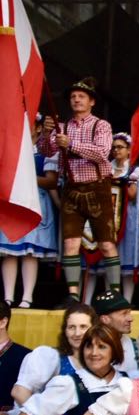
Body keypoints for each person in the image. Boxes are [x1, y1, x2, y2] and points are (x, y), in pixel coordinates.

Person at [39, 77, 120, 303]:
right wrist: (46, 133)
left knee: (106, 243)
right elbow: (46, 151)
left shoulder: (101, 125)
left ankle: (115, 293)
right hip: (71, 189)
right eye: (73, 97)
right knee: (70, 243)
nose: (76, 100)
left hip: (97, 188)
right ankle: (73, 295)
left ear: (91, 101)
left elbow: (102, 153)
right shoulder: (62, 126)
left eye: (81, 96)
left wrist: (71, 145)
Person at [0, 118, 58, 308]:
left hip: (35, 201)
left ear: (39, 128)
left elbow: (51, 181)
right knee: (10, 251)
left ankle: (27, 297)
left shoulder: (45, 151)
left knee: (30, 252)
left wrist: (25, 176)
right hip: (14, 201)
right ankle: (8, 297)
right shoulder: (11, 149)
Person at [103, 133, 139, 303]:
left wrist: (119, 182)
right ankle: (110, 297)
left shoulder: (135, 171)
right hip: (108, 215)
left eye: (120, 147)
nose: (116, 150)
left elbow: (131, 194)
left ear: (129, 150)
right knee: (109, 256)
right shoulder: (106, 168)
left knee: (129, 255)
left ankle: (127, 301)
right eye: (114, 147)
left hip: (127, 216)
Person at [92, 290, 138, 377]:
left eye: (129, 312)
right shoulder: (90, 348)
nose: (130, 318)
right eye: (124, 314)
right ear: (105, 319)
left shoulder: (136, 346)